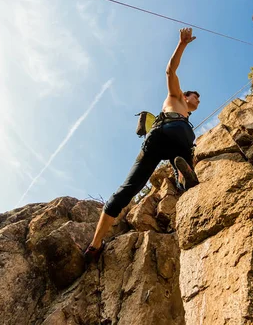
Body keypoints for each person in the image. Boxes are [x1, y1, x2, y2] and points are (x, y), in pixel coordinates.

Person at [84, 27, 201, 263]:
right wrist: (182, 44)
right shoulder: (175, 97)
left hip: (165, 139)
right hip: (172, 133)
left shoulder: (187, 115)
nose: (198, 99)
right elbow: (170, 70)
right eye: (195, 96)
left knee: (127, 190)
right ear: (185, 95)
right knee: (185, 152)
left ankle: (94, 246)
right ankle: (183, 176)